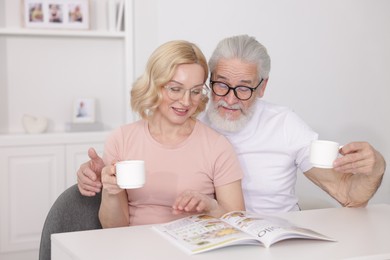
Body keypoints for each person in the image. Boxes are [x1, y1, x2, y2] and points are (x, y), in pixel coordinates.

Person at [77, 35, 386, 214]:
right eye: (221, 85)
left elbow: (348, 195)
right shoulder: (189, 114)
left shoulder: (285, 125)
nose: (229, 99)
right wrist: (95, 175)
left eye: (245, 88)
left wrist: (375, 168)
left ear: (262, 88)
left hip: (275, 236)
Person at [95, 40, 244, 228]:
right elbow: (113, 229)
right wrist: (111, 191)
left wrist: (211, 207)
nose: (186, 101)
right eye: (175, 89)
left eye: (196, 91)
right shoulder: (121, 139)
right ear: (154, 85)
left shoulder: (217, 146)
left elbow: (239, 223)